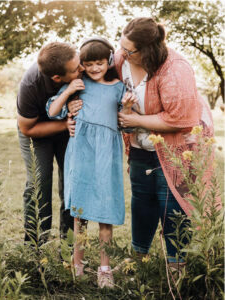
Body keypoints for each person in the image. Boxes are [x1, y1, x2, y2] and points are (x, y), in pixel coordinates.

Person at [115, 17, 214, 268]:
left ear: (147, 50)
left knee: (172, 206)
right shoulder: (122, 60)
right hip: (140, 146)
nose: (123, 54)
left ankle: (176, 266)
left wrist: (135, 119)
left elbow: (180, 118)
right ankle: (139, 261)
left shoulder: (175, 68)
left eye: (129, 51)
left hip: (176, 147)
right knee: (141, 201)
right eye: (122, 47)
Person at [46, 37, 137, 288]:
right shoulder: (79, 84)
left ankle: (105, 269)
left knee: (104, 212)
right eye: (89, 64)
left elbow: (123, 121)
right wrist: (68, 93)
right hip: (82, 152)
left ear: (108, 61)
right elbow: (53, 111)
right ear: (82, 65)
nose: (95, 68)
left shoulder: (118, 87)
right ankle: (78, 266)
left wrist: (128, 108)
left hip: (107, 153)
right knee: (80, 215)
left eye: (99, 63)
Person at [17, 42, 84, 244]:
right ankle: (35, 248)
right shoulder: (30, 85)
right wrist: (64, 124)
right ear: (57, 77)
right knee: (39, 182)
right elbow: (27, 128)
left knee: (73, 183)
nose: (82, 69)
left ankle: (70, 248)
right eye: (75, 69)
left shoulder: (80, 66)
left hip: (70, 131)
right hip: (39, 131)